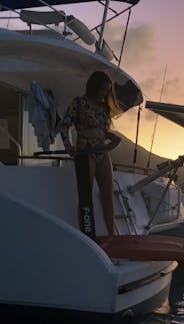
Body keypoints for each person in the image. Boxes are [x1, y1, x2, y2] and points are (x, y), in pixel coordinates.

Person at [59, 71, 123, 238]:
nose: (104, 93)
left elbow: (102, 131)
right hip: (85, 152)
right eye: (102, 89)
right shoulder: (78, 103)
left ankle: (112, 235)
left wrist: (113, 137)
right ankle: (87, 236)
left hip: (102, 153)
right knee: (85, 198)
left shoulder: (103, 108)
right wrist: (68, 146)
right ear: (93, 87)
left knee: (107, 196)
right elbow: (64, 125)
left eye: (107, 90)